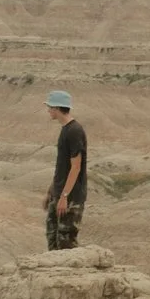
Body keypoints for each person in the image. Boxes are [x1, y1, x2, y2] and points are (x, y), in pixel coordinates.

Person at [44, 90, 88, 249]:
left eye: (49, 107)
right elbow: (62, 166)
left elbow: (75, 167)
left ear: (56, 108)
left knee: (66, 241)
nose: (48, 110)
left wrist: (64, 197)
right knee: (52, 238)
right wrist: (51, 191)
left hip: (71, 197)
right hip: (59, 193)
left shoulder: (74, 131)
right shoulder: (65, 129)